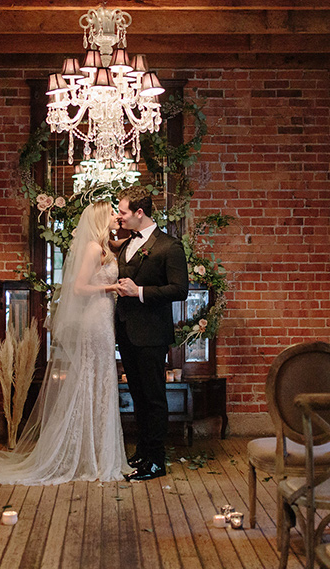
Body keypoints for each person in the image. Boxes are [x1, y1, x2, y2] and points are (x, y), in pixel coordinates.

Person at [0, 201, 130, 485]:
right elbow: (79, 287)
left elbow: (122, 242)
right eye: (111, 213)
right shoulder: (93, 249)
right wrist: (111, 287)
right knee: (91, 378)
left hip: (104, 320)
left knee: (102, 379)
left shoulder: (106, 246)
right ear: (100, 218)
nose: (116, 217)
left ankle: (98, 452)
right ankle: (86, 455)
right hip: (94, 321)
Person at [114, 185, 189, 481]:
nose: (119, 217)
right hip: (127, 332)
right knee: (137, 395)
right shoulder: (127, 243)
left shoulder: (169, 246)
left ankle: (156, 461)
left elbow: (180, 290)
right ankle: (143, 451)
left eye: (123, 212)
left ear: (139, 213)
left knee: (154, 397)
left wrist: (139, 291)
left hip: (152, 334)